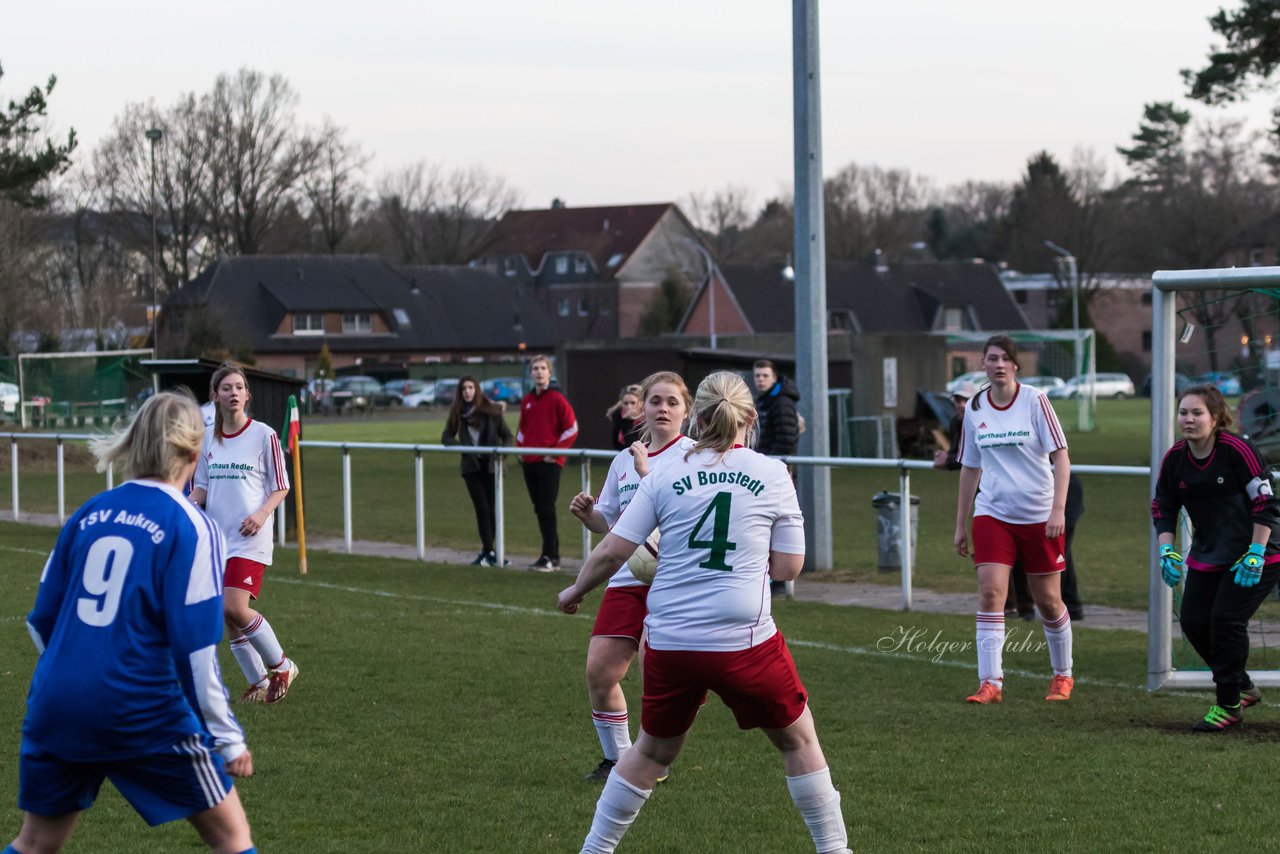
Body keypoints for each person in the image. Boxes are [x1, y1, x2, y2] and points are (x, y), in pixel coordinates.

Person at [558, 371, 850, 854]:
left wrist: (573, 591)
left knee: (651, 751)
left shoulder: (663, 473)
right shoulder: (773, 472)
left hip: (671, 641)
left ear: (694, 417)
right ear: (750, 418)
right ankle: (835, 850)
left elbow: (612, 550)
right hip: (745, 640)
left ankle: (594, 850)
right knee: (798, 741)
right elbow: (789, 567)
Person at [10, 392, 256, 854]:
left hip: (59, 703)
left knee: (36, 841)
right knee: (232, 838)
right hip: (142, 709)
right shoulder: (192, 525)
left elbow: (41, 621)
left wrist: (81, 672)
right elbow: (196, 653)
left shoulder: (88, 514)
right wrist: (228, 739)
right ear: (193, 451)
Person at [568, 371, 691, 782]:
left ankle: (652, 761)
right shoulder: (624, 458)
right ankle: (618, 761)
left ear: (686, 410)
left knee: (657, 676)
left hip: (676, 581)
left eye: (672, 402)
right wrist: (591, 515)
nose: (662, 408)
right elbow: (613, 524)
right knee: (600, 671)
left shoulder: (695, 456)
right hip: (627, 577)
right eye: (655, 401)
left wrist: (646, 474)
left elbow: (685, 518)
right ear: (643, 408)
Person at [954, 334, 1075, 704]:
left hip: (1040, 514)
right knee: (991, 593)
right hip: (993, 514)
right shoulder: (975, 407)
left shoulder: (1035, 400)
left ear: (1016, 365)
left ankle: (1062, 675)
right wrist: (961, 522)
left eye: (1006, 358)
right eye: (992, 358)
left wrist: (1058, 510)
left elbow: (1062, 456)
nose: (999, 364)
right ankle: (991, 683)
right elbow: (969, 468)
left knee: (1048, 601)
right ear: (983, 365)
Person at [1152, 384, 1280, 731]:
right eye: (1183, 412)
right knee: (1194, 622)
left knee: (1225, 622)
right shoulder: (1175, 457)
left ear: (1215, 418)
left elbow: (1267, 503)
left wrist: (1255, 554)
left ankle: (1229, 706)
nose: (1188, 419)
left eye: (1197, 413)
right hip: (1211, 551)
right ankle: (1241, 684)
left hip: (1260, 550)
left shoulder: (1238, 450)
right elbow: (1163, 504)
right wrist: (1167, 548)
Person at [190, 363, 298, 705]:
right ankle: (258, 681)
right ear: (215, 396)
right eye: (226, 388)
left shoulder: (264, 435)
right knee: (226, 613)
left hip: (251, 537)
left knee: (234, 607)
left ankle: (282, 665)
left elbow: (282, 487)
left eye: (239, 387)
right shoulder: (207, 438)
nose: (233, 393)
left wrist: (261, 514)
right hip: (217, 538)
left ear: (247, 395)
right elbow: (202, 487)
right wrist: (180, 507)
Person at [441, 375, 513, 567]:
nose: (467, 392)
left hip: (491, 468)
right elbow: (446, 436)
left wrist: (501, 456)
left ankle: (490, 551)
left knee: (492, 509)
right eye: (464, 388)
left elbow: (507, 436)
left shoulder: (492, 411)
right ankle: (487, 551)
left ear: (476, 390)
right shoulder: (457, 412)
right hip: (471, 468)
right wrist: (463, 449)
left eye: (471, 388)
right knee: (481, 509)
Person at [516, 354, 579, 571]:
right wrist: (520, 451)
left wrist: (554, 453)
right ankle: (549, 555)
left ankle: (551, 556)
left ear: (549, 373)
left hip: (549, 463)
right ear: (531, 373)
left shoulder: (557, 399)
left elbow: (572, 428)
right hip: (530, 462)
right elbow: (523, 430)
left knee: (546, 507)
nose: (539, 372)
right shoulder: (527, 401)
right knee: (539, 508)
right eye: (535, 368)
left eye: (543, 368)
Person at [753, 359, 800, 458]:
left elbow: (786, 439)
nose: (760, 379)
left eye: (765, 375)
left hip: (774, 463)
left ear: (774, 378)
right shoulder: (763, 400)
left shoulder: (782, 401)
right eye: (757, 375)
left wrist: (771, 460)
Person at [605, 385, 645, 451]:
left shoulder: (647, 419)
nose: (629, 407)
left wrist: (627, 421)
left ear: (641, 403)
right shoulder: (618, 415)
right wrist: (627, 420)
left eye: (633, 403)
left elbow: (633, 445)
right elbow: (616, 444)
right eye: (625, 403)